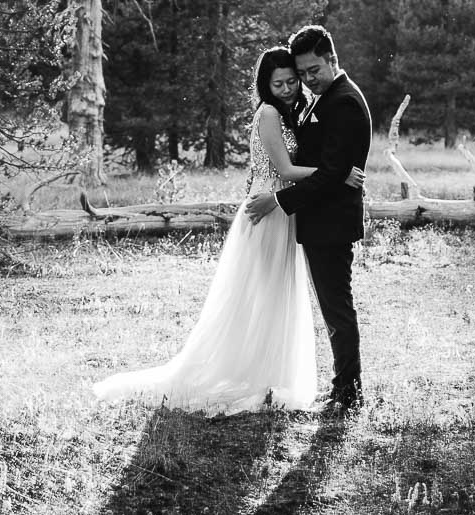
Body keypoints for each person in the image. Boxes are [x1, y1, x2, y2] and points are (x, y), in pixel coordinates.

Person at [91, 46, 363, 416]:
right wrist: (336, 172)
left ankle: (273, 375)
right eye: (278, 83)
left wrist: (323, 173)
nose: (287, 88)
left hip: (285, 212)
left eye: (292, 80)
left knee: (274, 296)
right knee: (256, 294)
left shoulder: (300, 109)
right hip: (268, 212)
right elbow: (284, 170)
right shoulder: (270, 112)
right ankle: (244, 374)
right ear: (265, 86)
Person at [244, 24, 371, 415]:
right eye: (301, 74)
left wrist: (278, 200)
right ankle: (342, 387)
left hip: (331, 222)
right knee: (332, 306)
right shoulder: (319, 98)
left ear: (332, 59)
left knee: (337, 307)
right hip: (316, 219)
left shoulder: (343, 101)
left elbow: (333, 172)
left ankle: (348, 393)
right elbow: (320, 163)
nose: (306, 80)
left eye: (313, 70)